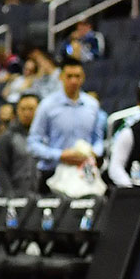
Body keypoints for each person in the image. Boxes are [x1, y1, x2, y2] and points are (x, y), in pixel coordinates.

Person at [27, 58, 105, 191]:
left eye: (77, 76)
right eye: (69, 76)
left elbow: (98, 140)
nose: (73, 81)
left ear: (83, 78)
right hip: (53, 172)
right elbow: (33, 143)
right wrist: (60, 155)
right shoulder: (47, 105)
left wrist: (94, 152)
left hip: (84, 172)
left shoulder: (92, 105)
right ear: (61, 77)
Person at [0, 95, 38, 196]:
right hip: (17, 195)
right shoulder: (7, 136)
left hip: (42, 196)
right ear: (17, 111)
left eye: (31, 109)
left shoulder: (46, 135)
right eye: (23, 109)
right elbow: (1, 168)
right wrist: (9, 193)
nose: (27, 113)